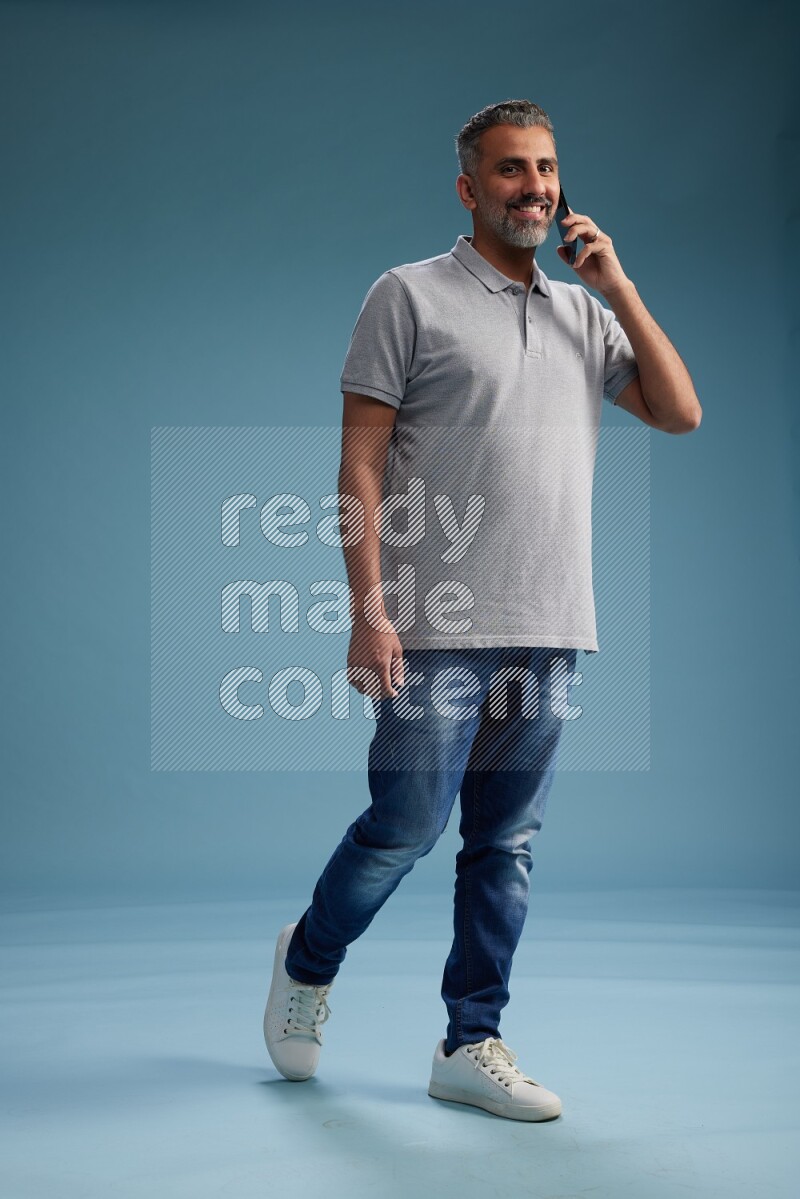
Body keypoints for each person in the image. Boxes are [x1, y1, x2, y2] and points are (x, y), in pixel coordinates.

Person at [263, 99, 701, 1121]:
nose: (533, 186)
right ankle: (309, 958)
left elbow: (677, 411)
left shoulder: (583, 313)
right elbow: (358, 465)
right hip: (432, 620)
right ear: (468, 187)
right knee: (403, 828)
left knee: (503, 844)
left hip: (550, 623)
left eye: (545, 167)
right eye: (509, 169)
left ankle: (471, 1040)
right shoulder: (406, 296)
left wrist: (618, 286)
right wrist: (367, 608)